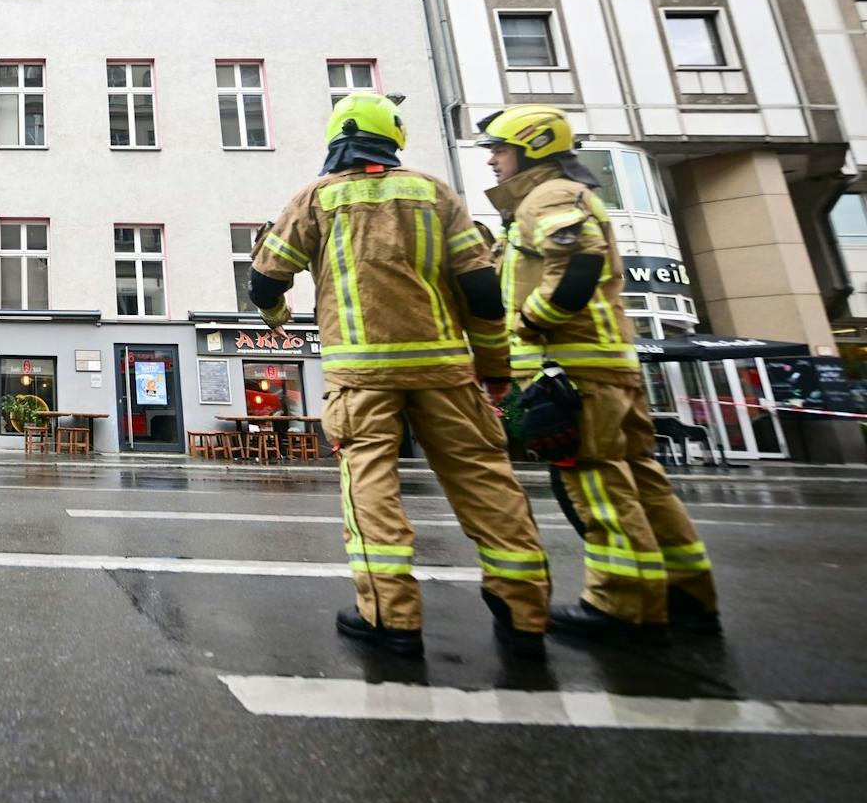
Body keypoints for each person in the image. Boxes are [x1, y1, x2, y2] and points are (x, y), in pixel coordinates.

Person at [251, 94, 549, 659]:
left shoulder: (318, 198)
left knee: (371, 488)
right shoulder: (436, 194)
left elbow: (265, 279)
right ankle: (524, 612)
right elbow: (483, 292)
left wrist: (277, 316)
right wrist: (495, 371)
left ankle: (391, 617)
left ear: (336, 140)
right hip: (445, 371)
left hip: (361, 376)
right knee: (486, 484)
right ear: (394, 139)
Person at [478, 104, 719, 641]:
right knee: (642, 480)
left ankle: (624, 604)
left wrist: (528, 322)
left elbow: (576, 268)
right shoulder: (560, 197)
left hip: (573, 373)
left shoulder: (549, 197)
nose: (493, 160)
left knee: (597, 484)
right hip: (602, 367)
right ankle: (685, 592)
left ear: (533, 148)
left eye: (500, 149)